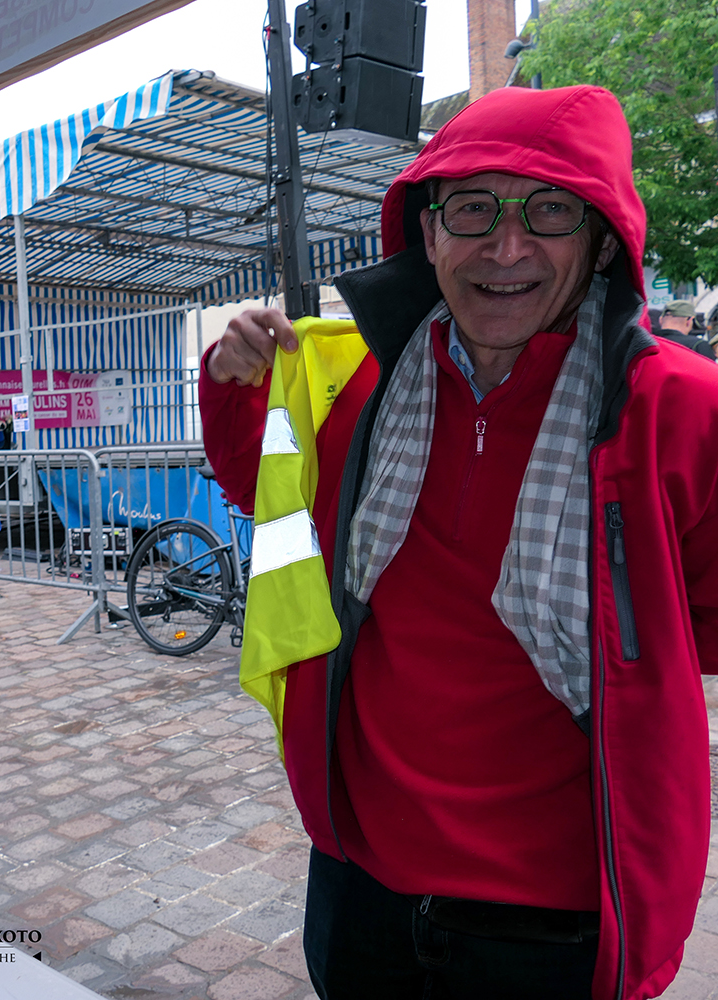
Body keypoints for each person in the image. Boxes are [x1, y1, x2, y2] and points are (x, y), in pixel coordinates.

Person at [201, 85, 718, 999]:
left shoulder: (680, 408)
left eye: (550, 211)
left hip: (556, 922)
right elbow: (273, 502)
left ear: (602, 242)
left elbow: (702, 626)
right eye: (473, 209)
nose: (506, 247)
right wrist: (234, 383)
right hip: (360, 886)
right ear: (429, 234)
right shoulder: (363, 383)